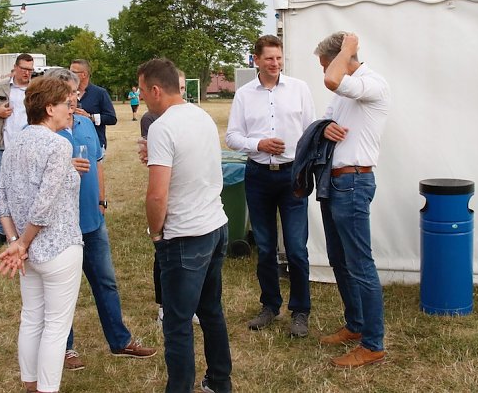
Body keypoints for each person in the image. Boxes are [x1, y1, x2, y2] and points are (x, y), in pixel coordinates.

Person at [44, 68, 156, 371]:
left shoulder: (84, 123)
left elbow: (97, 164)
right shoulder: (43, 132)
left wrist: (102, 201)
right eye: (69, 95)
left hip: (92, 220)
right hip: (59, 227)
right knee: (63, 291)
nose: (75, 99)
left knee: (106, 283)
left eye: (76, 93)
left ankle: (120, 341)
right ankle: (65, 349)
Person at [140, 58, 232, 393]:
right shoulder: (202, 116)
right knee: (211, 312)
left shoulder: (162, 127)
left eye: (141, 90)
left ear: (154, 89)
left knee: (177, 325)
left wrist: (156, 232)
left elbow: (156, 196)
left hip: (185, 234)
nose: (141, 98)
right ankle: (221, 382)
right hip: (215, 226)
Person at [0, 76, 83, 393]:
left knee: (31, 318)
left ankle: (31, 386)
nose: (69, 108)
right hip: (57, 248)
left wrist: (14, 241)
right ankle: (45, 388)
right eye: (65, 104)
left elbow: (0, 198)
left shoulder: (15, 140)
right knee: (56, 326)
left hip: (28, 252)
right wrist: (21, 243)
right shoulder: (59, 144)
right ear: (49, 108)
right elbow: (43, 205)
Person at [226, 35, 316, 337]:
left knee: (296, 249)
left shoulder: (300, 89)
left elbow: (311, 133)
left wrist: (304, 165)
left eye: (279, 58)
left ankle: (300, 311)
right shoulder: (243, 95)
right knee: (264, 248)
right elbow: (233, 137)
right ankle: (270, 306)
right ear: (256, 60)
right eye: (269, 58)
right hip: (258, 176)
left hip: (292, 177)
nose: (275, 63)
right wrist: (259, 143)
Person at [313, 32, 391, 369]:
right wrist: (326, 129)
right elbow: (328, 120)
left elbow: (332, 79)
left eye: (323, 65)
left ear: (340, 59)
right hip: (335, 180)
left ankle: (373, 344)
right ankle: (356, 326)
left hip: (354, 181)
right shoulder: (346, 90)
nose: (323, 73)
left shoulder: (372, 83)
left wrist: (347, 49)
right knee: (339, 259)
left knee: (360, 264)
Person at [138, 69, 188, 324]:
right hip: (169, 197)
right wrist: (156, 230)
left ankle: (186, 306)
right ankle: (164, 306)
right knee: (165, 257)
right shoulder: (153, 120)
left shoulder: (193, 117)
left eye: (182, 88)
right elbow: (154, 159)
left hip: (186, 204)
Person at [0, 53, 34, 249]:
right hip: (4, 149)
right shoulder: (0, 88)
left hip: (29, 148)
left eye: (30, 70)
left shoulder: (36, 89)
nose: (27, 73)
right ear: (15, 68)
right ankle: (0, 231)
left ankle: (25, 228)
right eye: (24, 69)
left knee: (29, 187)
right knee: (1, 189)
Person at [69, 59, 116, 209]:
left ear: (83, 74)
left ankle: (96, 206)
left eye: (73, 72)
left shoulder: (100, 93)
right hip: (70, 143)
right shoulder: (66, 93)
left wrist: (90, 117)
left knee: (91, 180)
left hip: (94, 144)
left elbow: (112, 118)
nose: (69, 74)